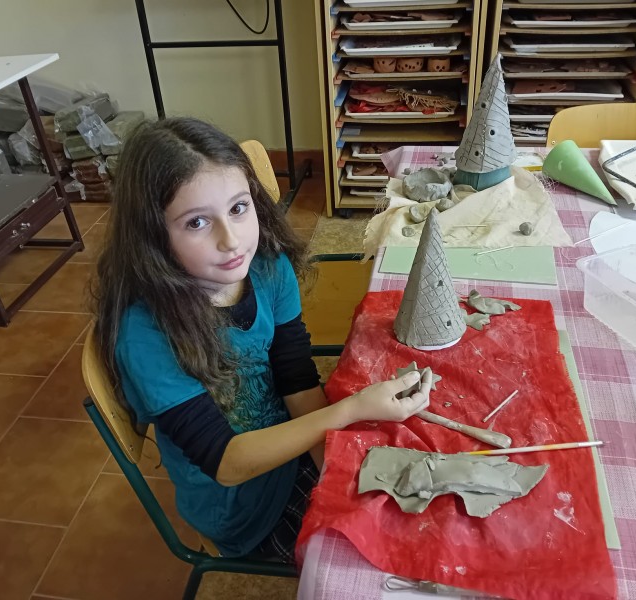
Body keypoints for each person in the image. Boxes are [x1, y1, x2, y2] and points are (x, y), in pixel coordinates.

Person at [92, 118, 431, 563]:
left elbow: (297, 381)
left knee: (414, 505)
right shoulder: (147, 334)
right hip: (244, 510)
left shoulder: (269, 267)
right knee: (376, 557)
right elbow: (226, 464)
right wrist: (349, 412)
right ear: (151, 236)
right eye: (197, 222)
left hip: (294, 443)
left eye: (238, 208)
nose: (231, 241)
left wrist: (330, 469)